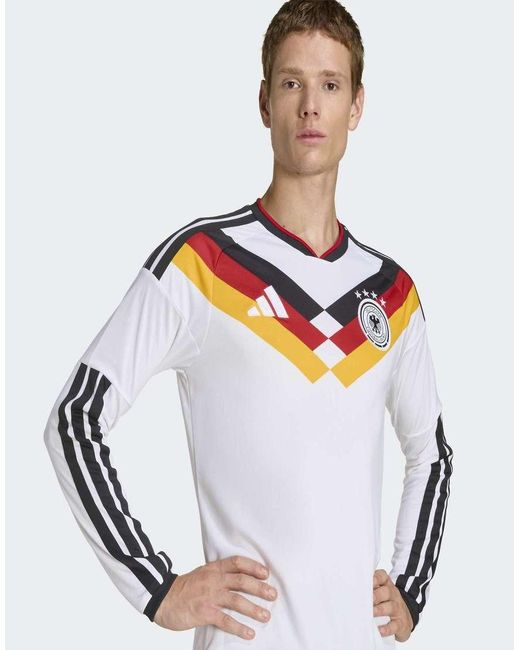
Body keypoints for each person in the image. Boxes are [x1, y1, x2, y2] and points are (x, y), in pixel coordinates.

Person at [43, 1, 454, 648]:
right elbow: (75, 418)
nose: (310, 107)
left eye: (330, 85)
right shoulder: (202, 263)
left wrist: (410, 587)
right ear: (265, 101)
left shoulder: (392, 293)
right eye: (292, 83)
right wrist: (157, 588)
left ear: (357, 105)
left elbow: (431, 453)